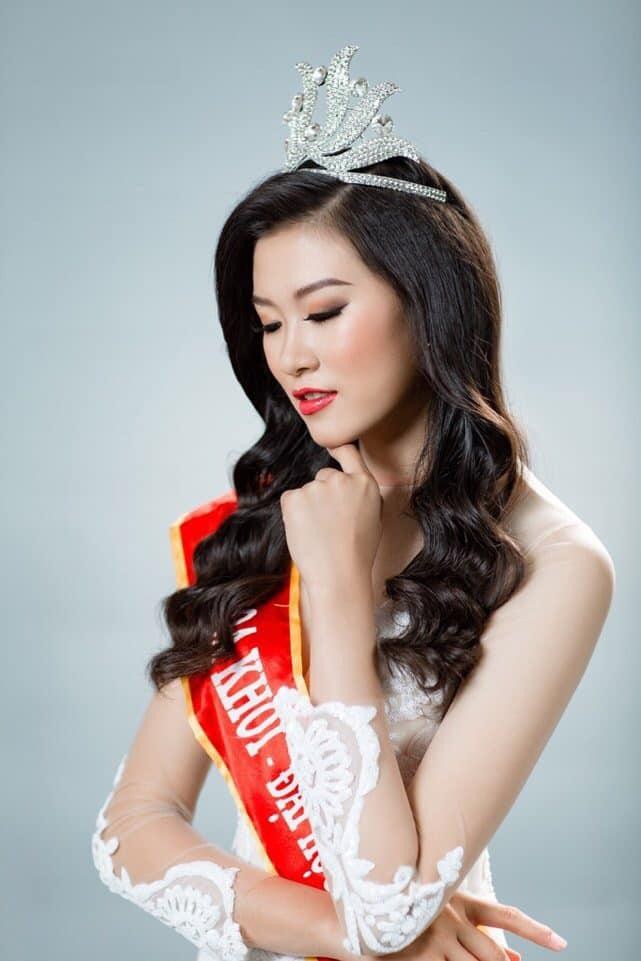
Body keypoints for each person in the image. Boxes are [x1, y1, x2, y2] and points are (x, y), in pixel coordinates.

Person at [91, 42, 615, 961]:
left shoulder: (555, 562)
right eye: (268, 322)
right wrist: (322, 923)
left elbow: (387, 911)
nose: (290, 355)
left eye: (324, 312)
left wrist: (336, 594)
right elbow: (129, 826)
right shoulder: (272, 514)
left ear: (430, 301)